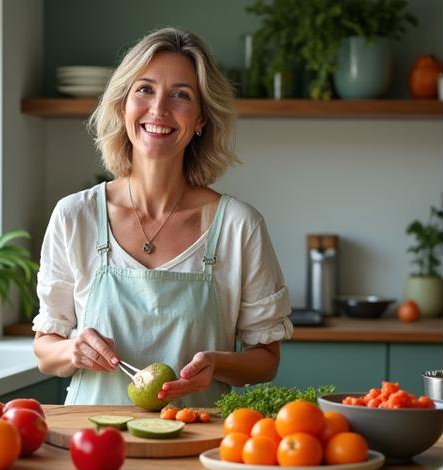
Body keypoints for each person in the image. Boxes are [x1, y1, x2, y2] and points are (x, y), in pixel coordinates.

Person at [32, 27, 293, 407]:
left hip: (197, 449)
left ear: (202, 118)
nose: (159, 110)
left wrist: (218, 364)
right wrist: (72, 350)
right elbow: (44, 350)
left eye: (181, 95)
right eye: (145, 90)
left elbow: (266, 361)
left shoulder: (239, 226)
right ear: (123, 106)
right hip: (93, 448)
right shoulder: (75, 216)